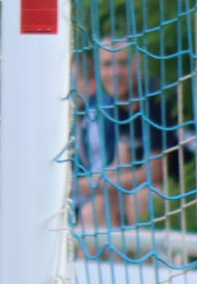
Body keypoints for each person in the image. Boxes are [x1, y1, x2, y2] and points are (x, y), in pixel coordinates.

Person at [75, 36, 188, 227]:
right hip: (150, 188)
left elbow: (154, 174)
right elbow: (120, 165)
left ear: (138, 63)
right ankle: (113, 249)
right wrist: (74, 185)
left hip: (183, 187)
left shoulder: (155, 100)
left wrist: (81, 186)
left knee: (140, 198)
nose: (115, 73)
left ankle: (149, 248)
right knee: (94, 211)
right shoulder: (119, 105)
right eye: (107, 65)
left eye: (123, 63)